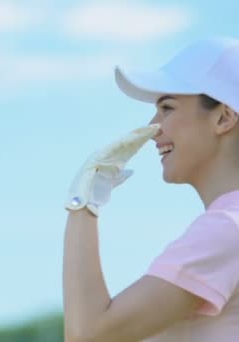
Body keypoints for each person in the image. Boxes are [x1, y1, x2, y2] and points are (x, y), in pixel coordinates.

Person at [63, 37, 239, 341]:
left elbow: (88, 335)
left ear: (223, 117)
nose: (153, 126)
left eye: (166, 108)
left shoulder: (228, 226)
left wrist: (84, 202)